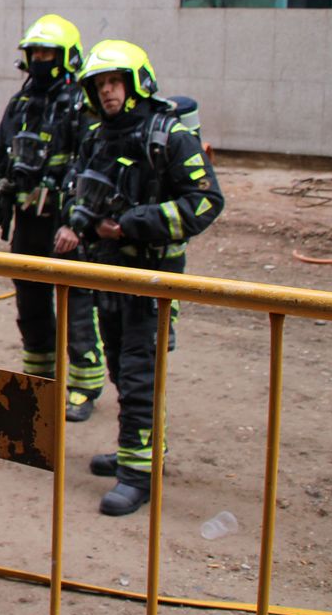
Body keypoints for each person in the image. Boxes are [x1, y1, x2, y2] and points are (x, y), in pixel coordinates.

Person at [55, 40, 222, 516]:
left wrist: (130, 224)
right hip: (108, 272)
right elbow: (82, 189)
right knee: (120, 369)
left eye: (115, 82)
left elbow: (206, 202)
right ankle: (141, 451)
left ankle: (137, 476)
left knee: (138, 373)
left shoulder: (169, 137)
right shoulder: (97, 138)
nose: (107, 92)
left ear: (137, 84)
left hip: (153, 278)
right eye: (100, 85)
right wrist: (77, 221)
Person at [0, 14, 105, 422]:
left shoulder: (83, 106)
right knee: (30, 300)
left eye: (48, 53)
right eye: (36, 53)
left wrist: (77, 223)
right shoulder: (21, 104)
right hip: (27, 219)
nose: (40, 60)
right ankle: (40, 377)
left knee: (76, 302)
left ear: (67, 57)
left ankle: (84, 386)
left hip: (65, 222)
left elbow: (92, 165)